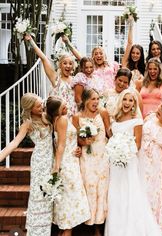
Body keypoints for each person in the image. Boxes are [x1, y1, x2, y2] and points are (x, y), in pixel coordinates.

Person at [104, 89, 162, 236]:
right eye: (125, 99)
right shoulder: (115, 119)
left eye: (131, 100)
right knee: (115, 194)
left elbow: (137, 144)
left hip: (128, 162)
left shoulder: (137, 121)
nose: (127, 103)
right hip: (115, 163)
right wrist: (115, 151)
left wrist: (123, 153)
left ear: (134, 104)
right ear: (121, 101)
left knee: (130, 193)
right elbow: (112, 139)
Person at [0, 93, 53, 236]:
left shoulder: (48, 117)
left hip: (52, 160)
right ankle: (37, 231)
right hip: (39, 162)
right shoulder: (27, 124)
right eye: (38, 105)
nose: (42, 106)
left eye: (41, 103)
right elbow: (14, 143)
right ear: (30, 108)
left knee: (51, 194)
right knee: (39, 194)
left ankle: (48, 229)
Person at [46, 96, 90, 236]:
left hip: (71, 160)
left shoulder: (58, 119)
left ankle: (64, 231)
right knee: (70, 200)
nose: (67, 108)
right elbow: (61, 145)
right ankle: (66, 231)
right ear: (57, 111)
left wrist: (76, 148)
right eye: (63, 107)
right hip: (67, 164)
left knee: (68, 200)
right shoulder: (62, 120)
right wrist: (57, 167)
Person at [72, 88, 111, 236]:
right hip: (86, 159)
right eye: (92, 99)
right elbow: (76, 140)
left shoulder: (103, 113)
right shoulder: (76, 117)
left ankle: (98, 226)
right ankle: (87, 224)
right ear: (85, 100)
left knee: (102, 189)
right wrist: (82, 142)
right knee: (88, 187)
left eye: (97, 99)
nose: (96, 102)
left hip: (102, 156)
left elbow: (109, 132)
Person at [24, 34, 77, 117]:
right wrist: (31, 41)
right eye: (65, 63)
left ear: (73, 66)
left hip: (72, 114)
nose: (68, 66)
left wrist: (68, 42)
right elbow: (44, 58)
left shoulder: (76, 80)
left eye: (70, 64)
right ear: (60, 65)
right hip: (58, 115)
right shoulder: (55, 78)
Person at [121, 16, 145, 86]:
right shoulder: (126, 63)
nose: (135, 55)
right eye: (133, 53)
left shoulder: (144, 67)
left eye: (137, 53)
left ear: (141, 55)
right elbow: (129, 43)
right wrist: (131, 26)